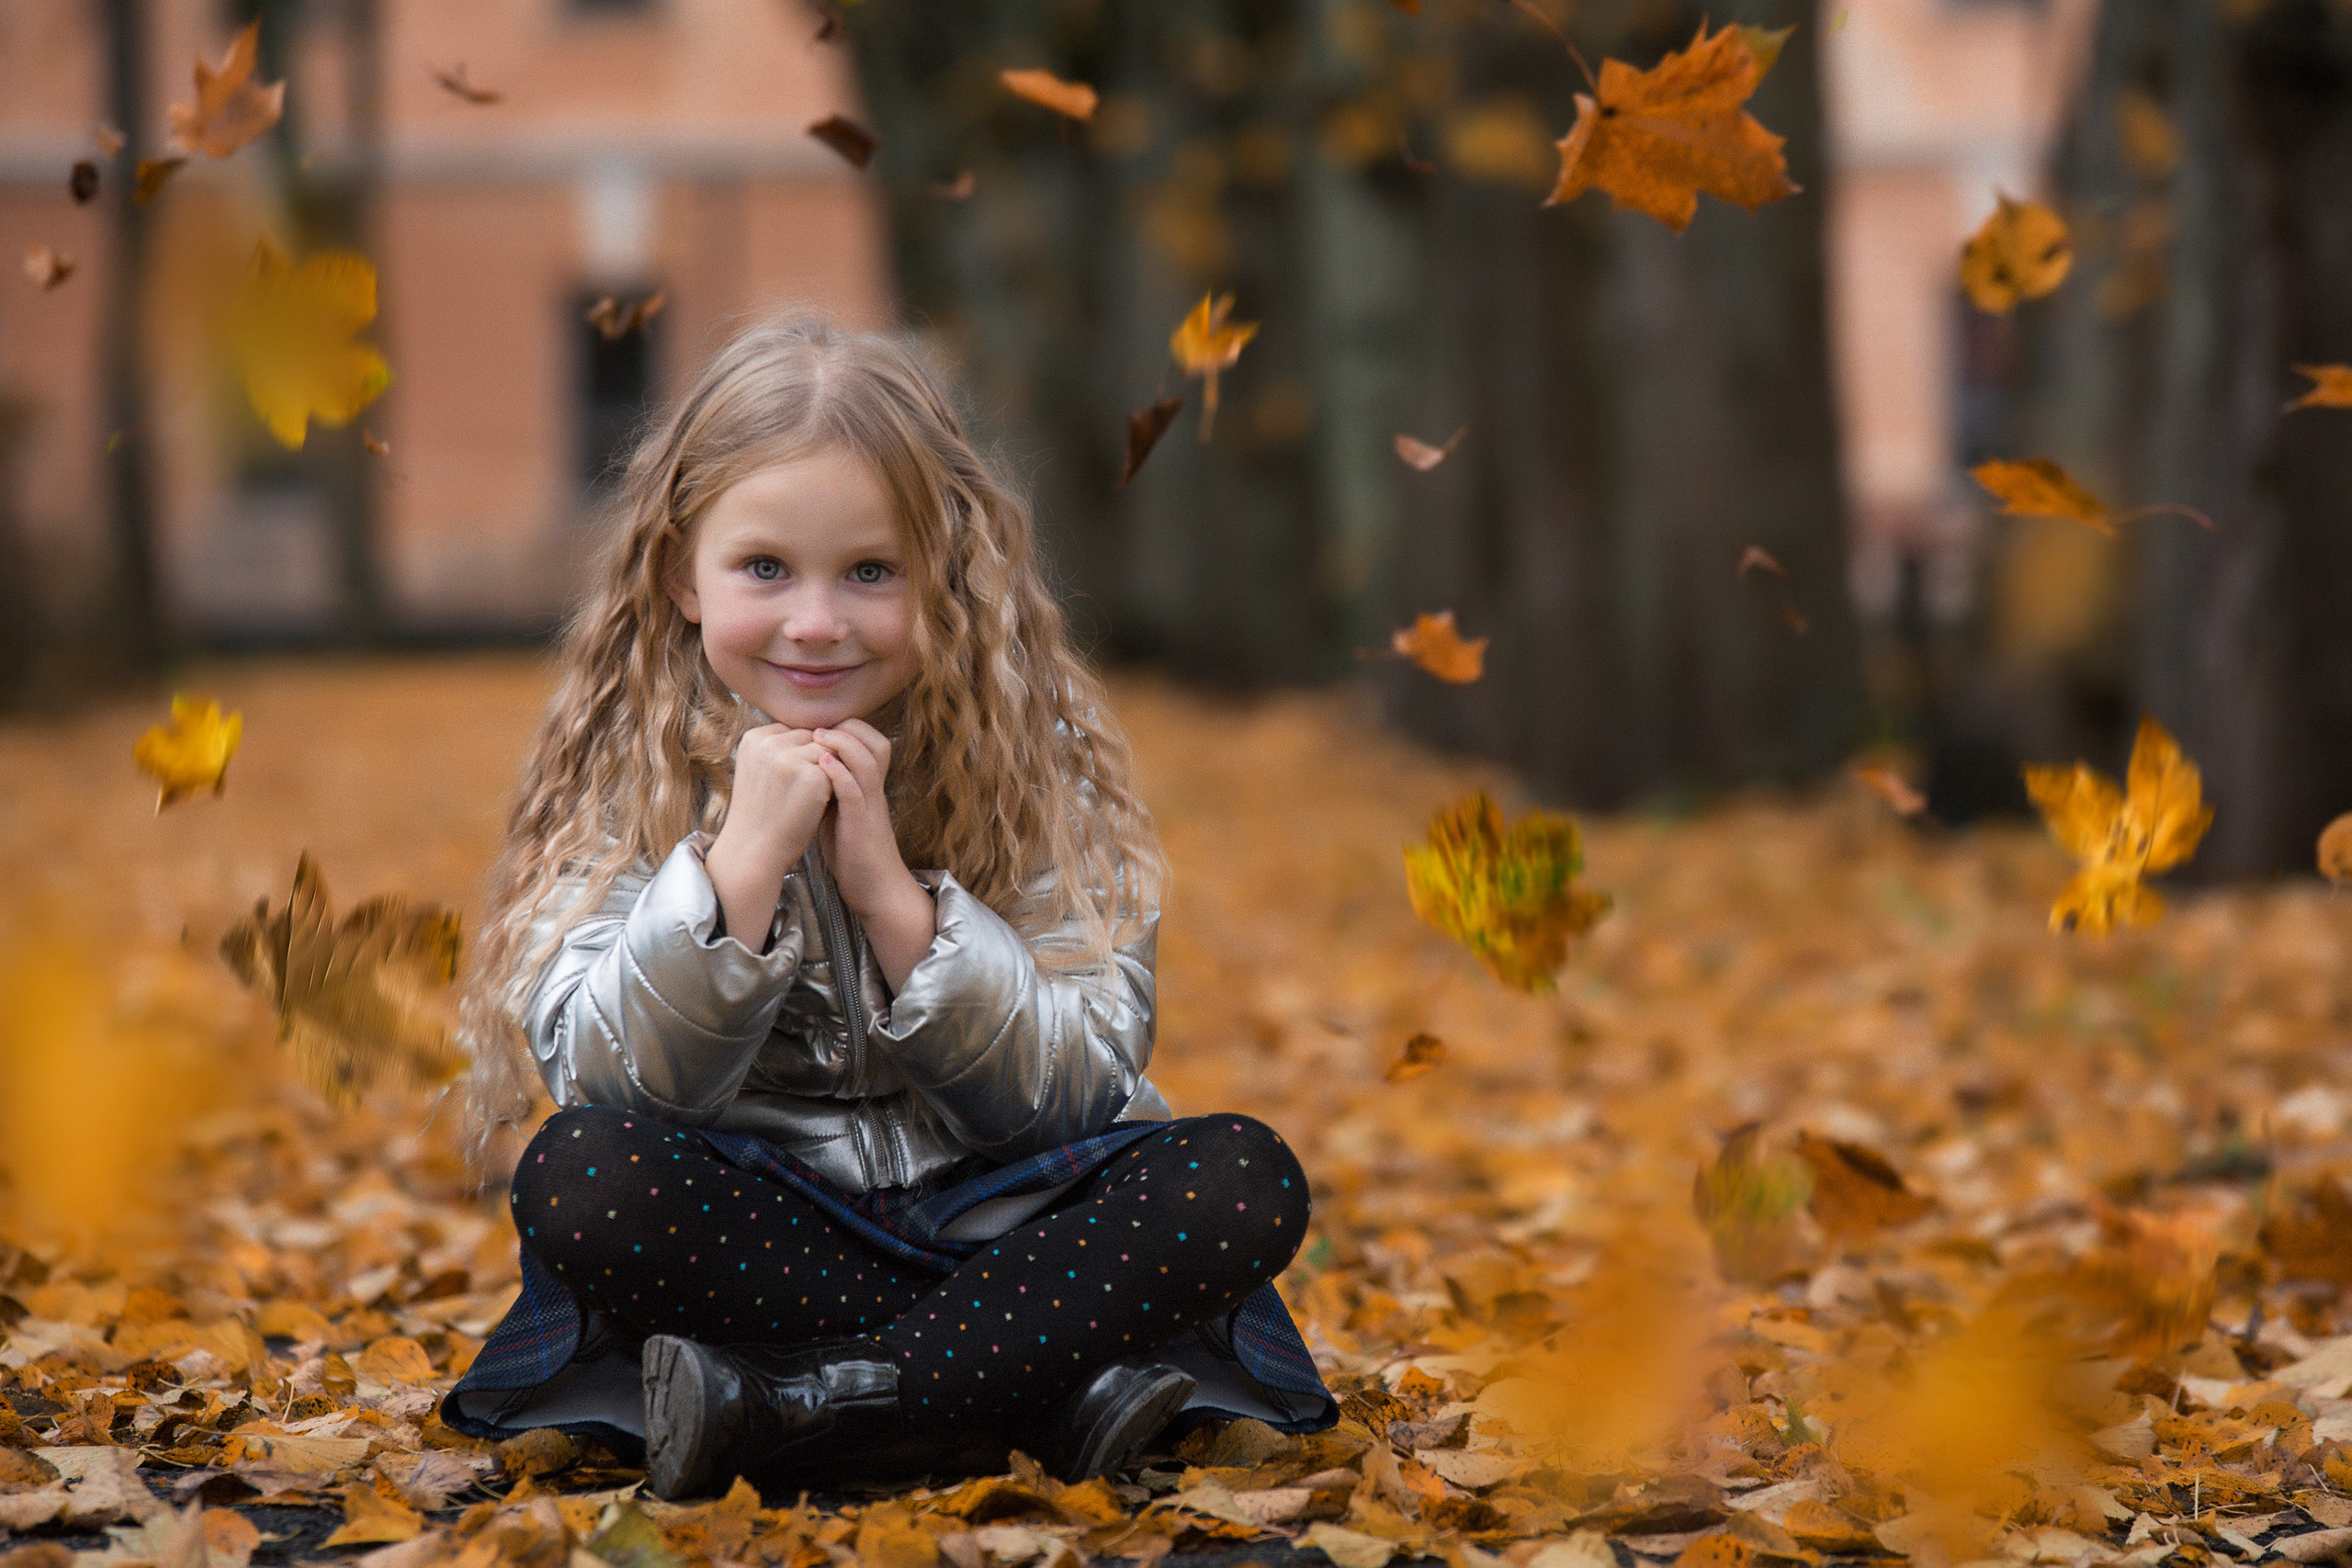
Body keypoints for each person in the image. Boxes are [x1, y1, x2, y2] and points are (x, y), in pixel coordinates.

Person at [439, 318, 1336, 1500]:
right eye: (765, 569)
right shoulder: (626, 766)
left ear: (946, 571)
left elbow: (1084, 1082)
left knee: (1237, 1181)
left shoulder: (1040, 754)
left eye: (872, 571)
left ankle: (796, 1404)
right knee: (583, 1178)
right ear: (679, 573)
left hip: (1013, 1224)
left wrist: (899, 910)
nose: (818, 622)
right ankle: (1015, 1384)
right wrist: (735, 877)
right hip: (762, 1236)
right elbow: (609, 1085)